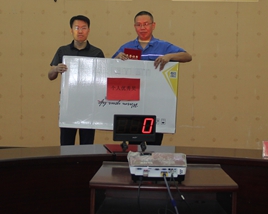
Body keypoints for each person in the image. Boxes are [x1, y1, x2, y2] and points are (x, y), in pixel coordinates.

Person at [112, 11, 192, 145]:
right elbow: (110, 69)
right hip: (131, 103)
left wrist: (169, 56)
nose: (142, 28)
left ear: (153, 25)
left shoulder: (163, 46)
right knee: (133, 147)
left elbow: (187, 56)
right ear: (134, 27)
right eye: (139, 25)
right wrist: (116, 58)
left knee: (153, 147)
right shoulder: (126, 47)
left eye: (146, 24)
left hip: (156, 103)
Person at [49, 15, 105, 145]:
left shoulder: (97, 53)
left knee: (87, 143)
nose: (80, 31)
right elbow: (50, 76)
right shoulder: (63, 50)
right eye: (77, 28)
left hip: (89, 104)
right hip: (68, 103)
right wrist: (56, 68)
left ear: (88, 30)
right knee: (66, 143)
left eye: (83, 28)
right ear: (71, 30)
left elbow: (103, 79)